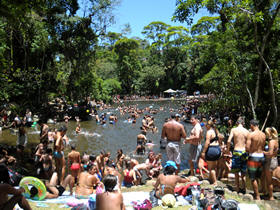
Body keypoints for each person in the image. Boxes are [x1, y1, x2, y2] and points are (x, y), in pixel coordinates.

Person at [226, 117, 249, 193]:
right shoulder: (247, 131)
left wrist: (228, 150)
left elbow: (229, 140)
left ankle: (237, 189)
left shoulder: (234, 130)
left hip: (236, 151)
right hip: (244, 152)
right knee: (243, 172)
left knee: (236, 172)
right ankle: (244, 188)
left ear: (237, 123)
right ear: (243, 123)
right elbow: (248, 144)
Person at [246, 119, 266, 200]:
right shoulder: (263, 134)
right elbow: (263, 146)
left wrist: (249, 151)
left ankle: (257, 196)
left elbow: (247, 147)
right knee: (260, 176)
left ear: (252, 125)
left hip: (253, 157)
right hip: (262, 156)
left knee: (253, 177)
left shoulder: (251, 134)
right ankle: (263, 192)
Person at [201, 120, 221, 185]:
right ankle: (210, 179)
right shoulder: (215, 131)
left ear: (208, 125)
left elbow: (207, 142)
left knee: (211, 168)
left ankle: (215, 182)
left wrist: (203, 152)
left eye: (206, 125)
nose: (205, 127)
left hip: (211, 150)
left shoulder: (209, 132)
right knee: (214, 166)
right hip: (217, 149)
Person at [263, 127, 279, 200]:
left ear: (269, 133)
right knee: (270, 180)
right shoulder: (276, 141)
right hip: (274, 160)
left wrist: (262, 151)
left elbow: (270, 153)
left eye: (266, 133)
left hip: (270, 161)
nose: (266, 134)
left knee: (269, 181)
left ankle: (271, 197)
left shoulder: (271, 141)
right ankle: (269, 194)